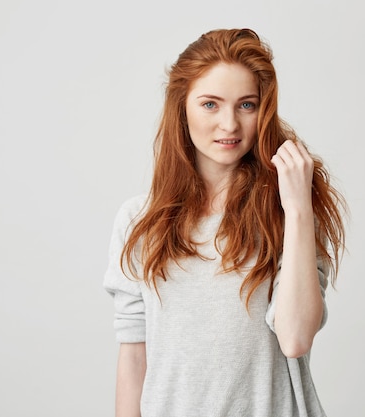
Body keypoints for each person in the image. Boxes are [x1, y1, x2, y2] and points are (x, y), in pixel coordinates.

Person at [103, 28, 347, 417]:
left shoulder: (288, 214)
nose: (230, 125)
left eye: (246, 105)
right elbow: (134, 358)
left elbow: (296, 337)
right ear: (181, 107)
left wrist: (299, 209)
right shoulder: (138, 221)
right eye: (210, 104)